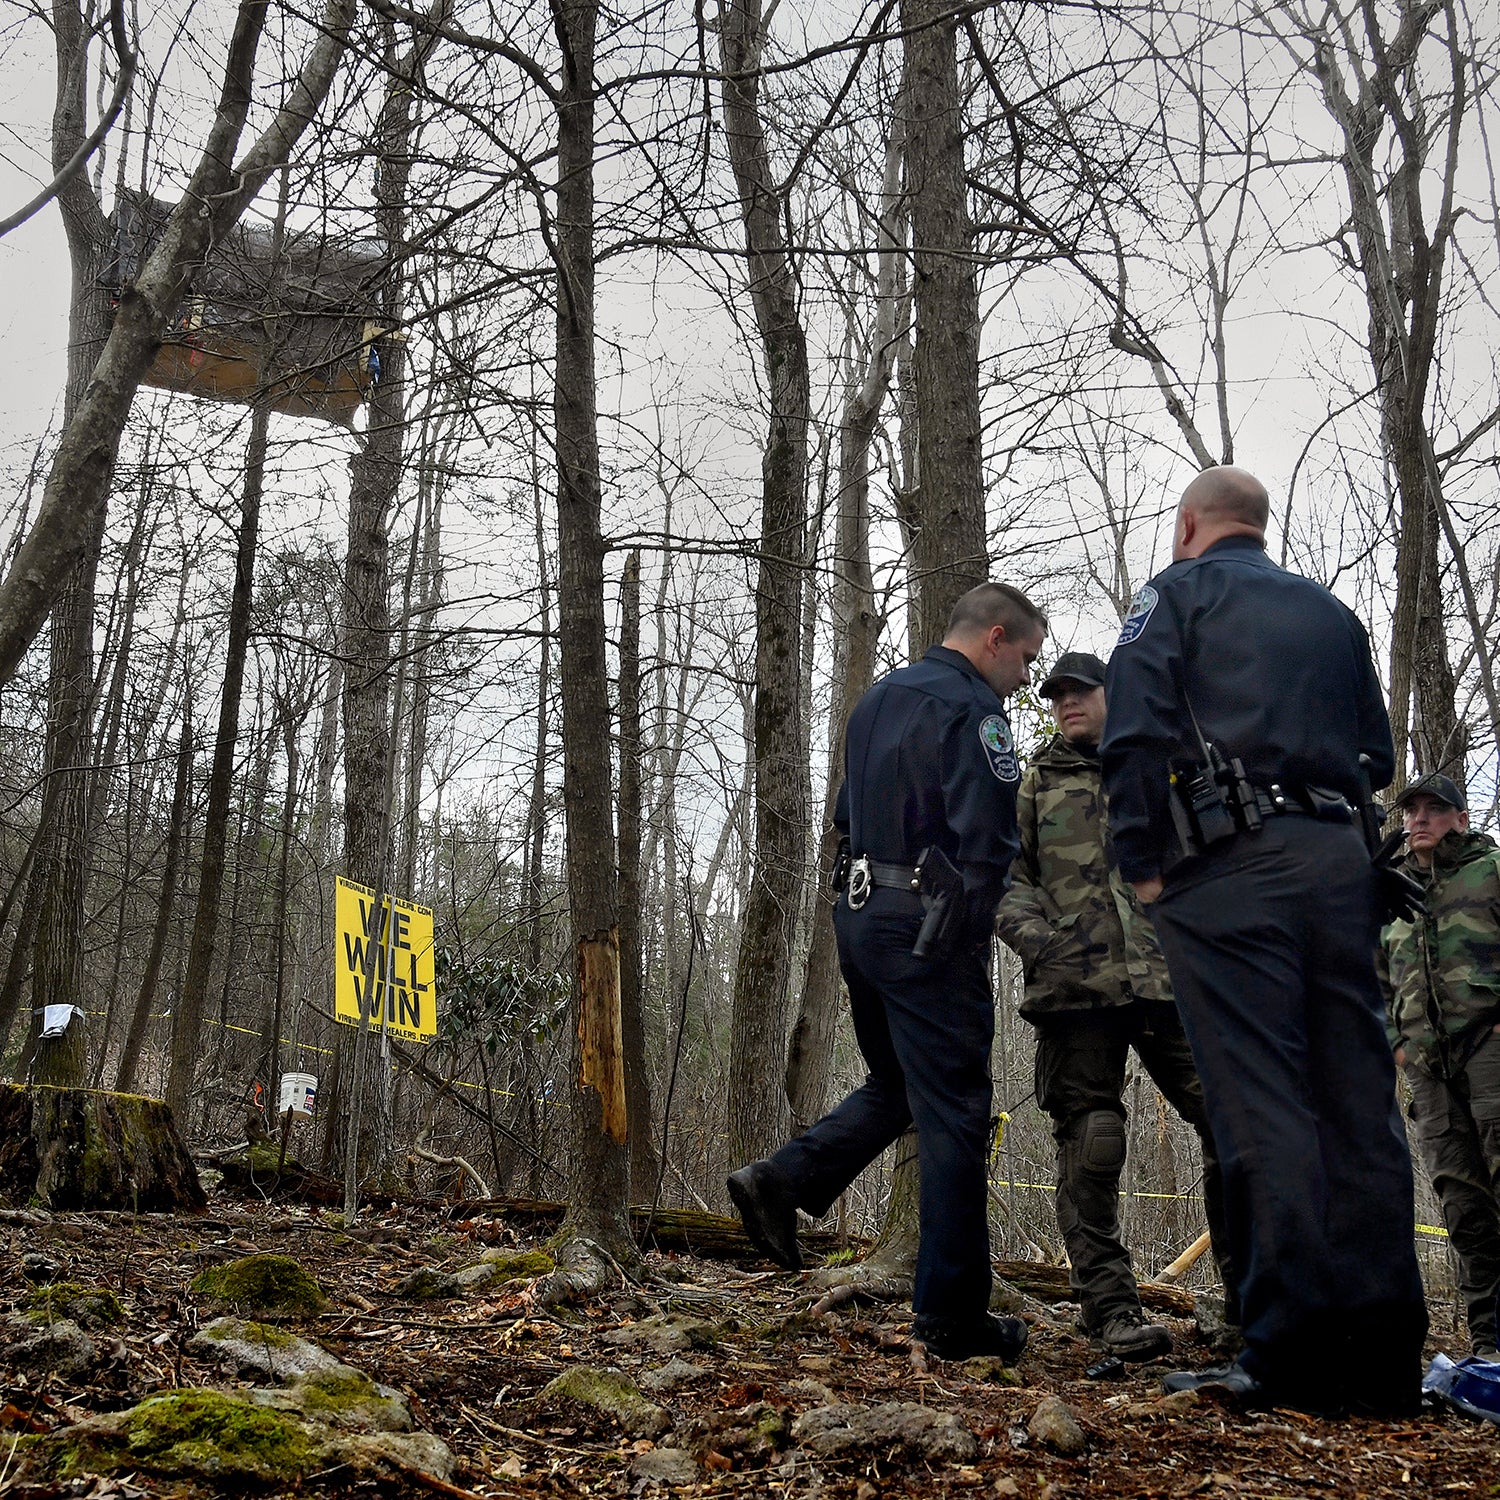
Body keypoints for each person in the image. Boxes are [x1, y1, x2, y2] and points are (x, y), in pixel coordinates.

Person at [1100, 464, 1428, 1416]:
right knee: (1358, 1102)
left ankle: (1288, 1353)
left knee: (1263, 1102)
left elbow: (1135, 734)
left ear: (1188, 525)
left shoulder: (1173, 595)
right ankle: (1381, 1360)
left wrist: (1145, 865)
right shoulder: (1331, 613)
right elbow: (1377, 752)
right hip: (1340, 864)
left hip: (1232, 870)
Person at [728, 582, 1048, 1362]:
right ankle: (950, 1317)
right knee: (956, 1116)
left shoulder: (877, 699)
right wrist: (985, 937)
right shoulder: (976, 714)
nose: (1025, 680)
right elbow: (988, 845)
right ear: (995, 638)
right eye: (1027, 661)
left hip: (860, 913)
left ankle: (781, 1180)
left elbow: (844, 817)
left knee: (900, 1085)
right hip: (927, 927)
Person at [996, 650, 1234, 1363]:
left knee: (1235, 1122)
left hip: (1170, 987)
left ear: (1111, 695)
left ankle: (1249, 1305)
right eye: (1057, 694)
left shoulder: (1156, 770)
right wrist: (1042, 943)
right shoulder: (1036, 781)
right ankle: (1111, 1311)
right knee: (1094, 1142)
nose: (1067, 702)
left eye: (1080, 692)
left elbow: (1210, 866)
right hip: (1076, 996)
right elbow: (1006, 876)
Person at [1379, 772, 1500, 1360]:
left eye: (1434, 809)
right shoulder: (1393, 892)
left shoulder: (1490, 871)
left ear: (1461, 818)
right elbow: (1374, 978)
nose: (1419, 819)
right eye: (1412, 810)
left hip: (1490, 1053)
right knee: (1463, 1207)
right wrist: (1396, 1045)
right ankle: (1487, 1346)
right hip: (1428, 1069)